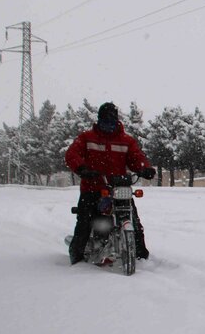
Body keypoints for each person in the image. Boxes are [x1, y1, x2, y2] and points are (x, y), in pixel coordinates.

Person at [65, 102, 156, 265]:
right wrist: (82, 168)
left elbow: (136, 158)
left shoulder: (126, 141)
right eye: (105, 122)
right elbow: (72, 154)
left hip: (119, 187)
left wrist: (145, 168)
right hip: (92, 188)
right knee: (85, 221)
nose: (109, 126)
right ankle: (77, 257)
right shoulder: (86, 138)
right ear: (99, 121)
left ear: (117, 121)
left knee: (133, 220)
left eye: (112, 122)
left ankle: (141, 255)